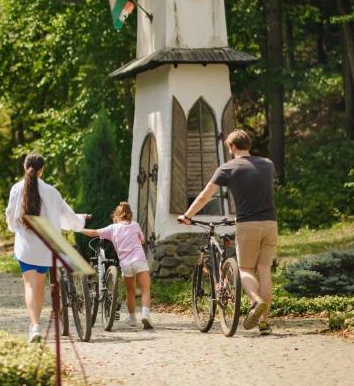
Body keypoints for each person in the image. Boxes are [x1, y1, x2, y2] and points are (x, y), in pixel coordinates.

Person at [178, 129, 277, 333]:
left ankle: (256, 301)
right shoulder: (268, 164)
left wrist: (187, 216)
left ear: (231, 147)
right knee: (264, 269)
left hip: (248, 224)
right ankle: (264, 322)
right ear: (248, 144)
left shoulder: (227, 168)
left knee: (246, 269)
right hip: (270, 223)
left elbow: (204, 196)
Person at [6, 153, 87, 343]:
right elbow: (67, 216)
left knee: (30, 285)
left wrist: (14, 228)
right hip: (46, 249)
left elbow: (11, 216)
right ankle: (36, 325)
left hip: (26, 247)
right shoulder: (52, 191)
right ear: (42, 170)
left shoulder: (17, 189)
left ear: (25, 167)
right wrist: (80, 222)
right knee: (40, 286)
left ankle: (34, 327)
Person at [77, 201, 154, 328]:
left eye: (114, 218)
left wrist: (78, 229)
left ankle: (133, 318)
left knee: (130, 292)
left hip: (125, 264)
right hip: (139, 260)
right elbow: (143, 240)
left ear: (117, 217)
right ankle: (145, 315)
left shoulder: (113, 228)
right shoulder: (135, 225)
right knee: (145, 289)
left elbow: (94, 232)